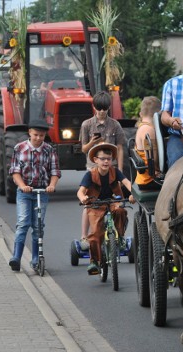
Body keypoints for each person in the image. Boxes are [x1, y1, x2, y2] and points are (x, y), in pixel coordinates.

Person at [7, 120, 61, 272]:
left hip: (41, 192)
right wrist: (22, 186)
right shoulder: (20, 148)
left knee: (38, 225)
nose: (38, 138)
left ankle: (36, 258)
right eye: (35, 135)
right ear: (30, 132)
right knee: (23, 222)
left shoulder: (49, 150)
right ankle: (16, 257)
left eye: (42, 135)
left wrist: (51, 186)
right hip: (24, 192)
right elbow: (15, 171)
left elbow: (55, 171)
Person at [77, 143, 135, 275]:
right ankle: (94, 262)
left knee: (121, 211)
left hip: (114, 201)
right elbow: (80, 192)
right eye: (102, 159)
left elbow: (127, 183)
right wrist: (83, 198)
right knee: (96, 233)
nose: (106, 161)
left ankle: (120, 237)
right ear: (95, 160)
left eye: (108, 159)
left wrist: (132, 194)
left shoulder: (115, 172)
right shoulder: (90, 175)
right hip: (95, 204)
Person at [78, 91, 127, 250]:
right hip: (93, 170)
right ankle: (84, 236)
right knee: (89, 204)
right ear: (94, 108)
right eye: (99, 109)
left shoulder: (115, 124)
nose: (101, 112)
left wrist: (119, 169)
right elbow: (84, 149)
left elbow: (119, 147)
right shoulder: (87, 125)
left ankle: (119, 235)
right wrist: (92, 141)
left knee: (118, 203)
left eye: (104, 109)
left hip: (111, 169)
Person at [133, 96, 162, 190]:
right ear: (157, 114)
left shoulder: (142, 127)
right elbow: (151, 156)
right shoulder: (148, 130)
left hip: (143, 179)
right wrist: (158, 170)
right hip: (149, 180)